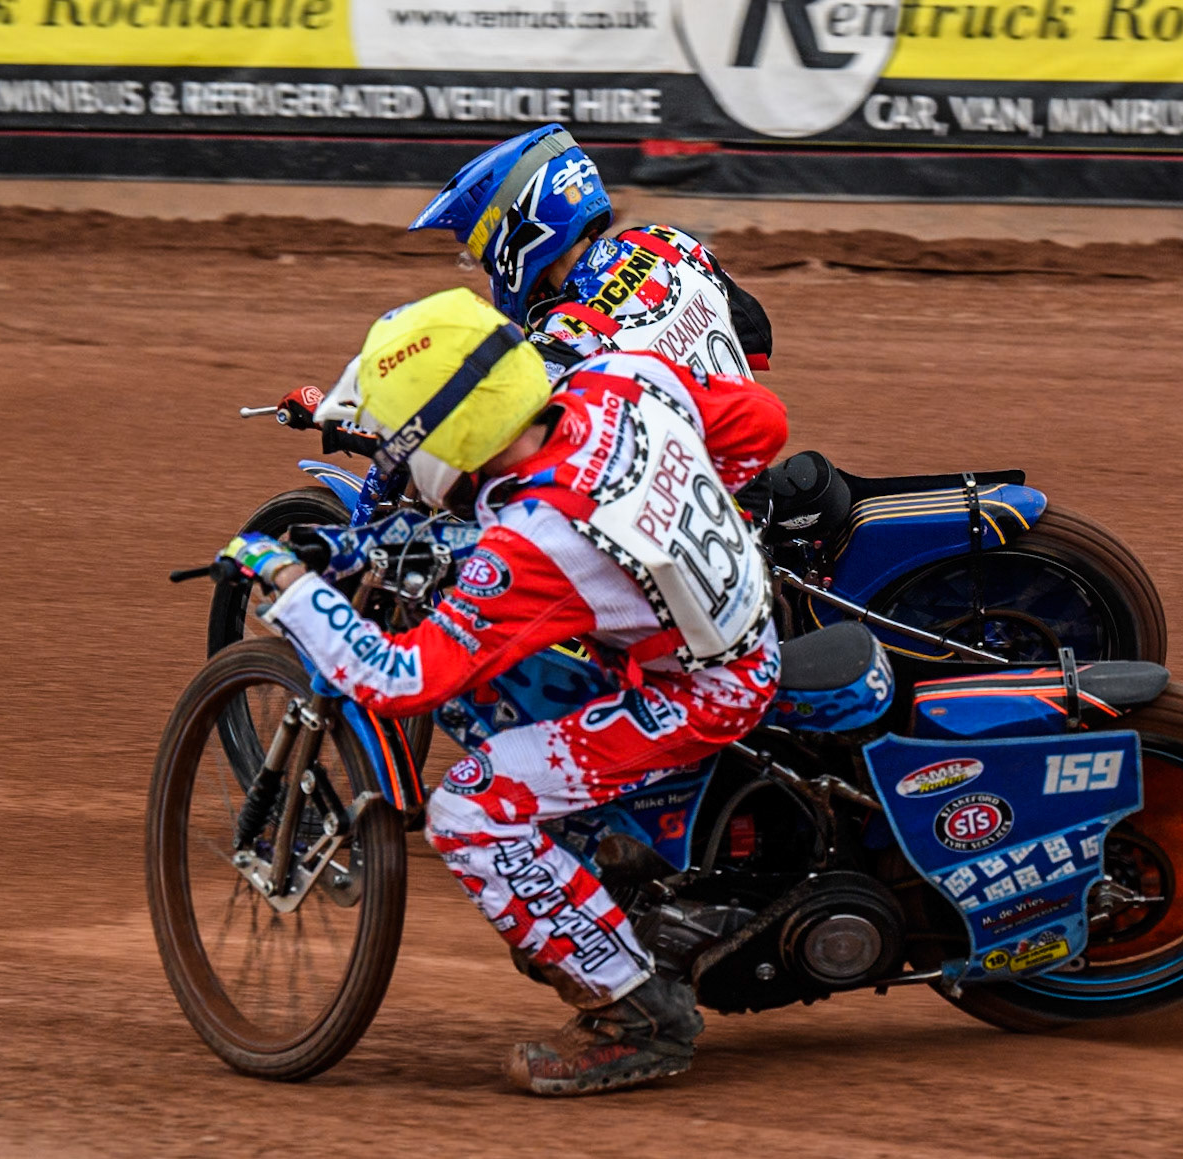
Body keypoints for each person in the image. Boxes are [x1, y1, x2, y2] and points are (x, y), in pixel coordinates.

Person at [220, 286, 787, 1095]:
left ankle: (637, 1014)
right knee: (492, 692)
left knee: (470, 810)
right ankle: (612, 866)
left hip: (701, 691)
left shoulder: (535, 540)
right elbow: (762, 421)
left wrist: (286, 582)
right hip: (741, 617)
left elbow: (400, 677)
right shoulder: (621, 377)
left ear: (444, 436)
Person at [408, 124, 774, 380]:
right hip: (750, 446)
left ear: (519, 233)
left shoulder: (564, 337)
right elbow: (757, 336)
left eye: (487, 257)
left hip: (684, 471)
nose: (493, 269)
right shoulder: (666, 241)